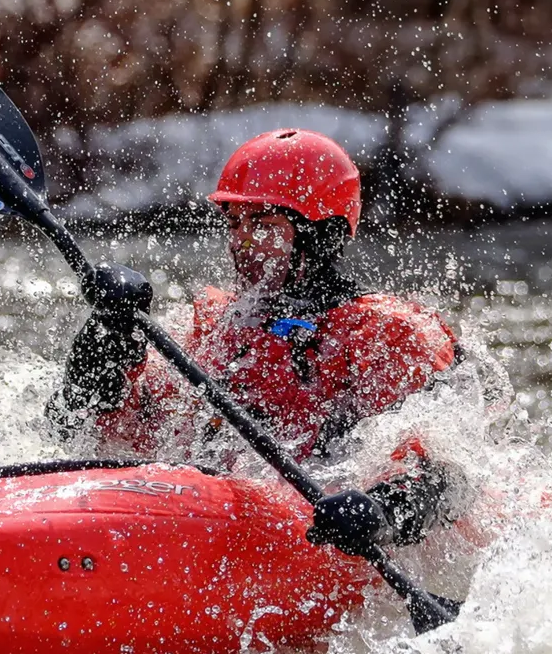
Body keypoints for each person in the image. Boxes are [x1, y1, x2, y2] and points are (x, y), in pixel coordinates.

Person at [46, 129, 470, 547]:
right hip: (220, 522)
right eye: (235, 223)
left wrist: (380, 513)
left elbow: (450, 475)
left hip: (324, 535)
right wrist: (108, 336)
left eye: (264, 225)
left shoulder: (387, 333)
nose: (241, 242)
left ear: (322, 232)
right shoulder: (211, 324)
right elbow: (92, 429)